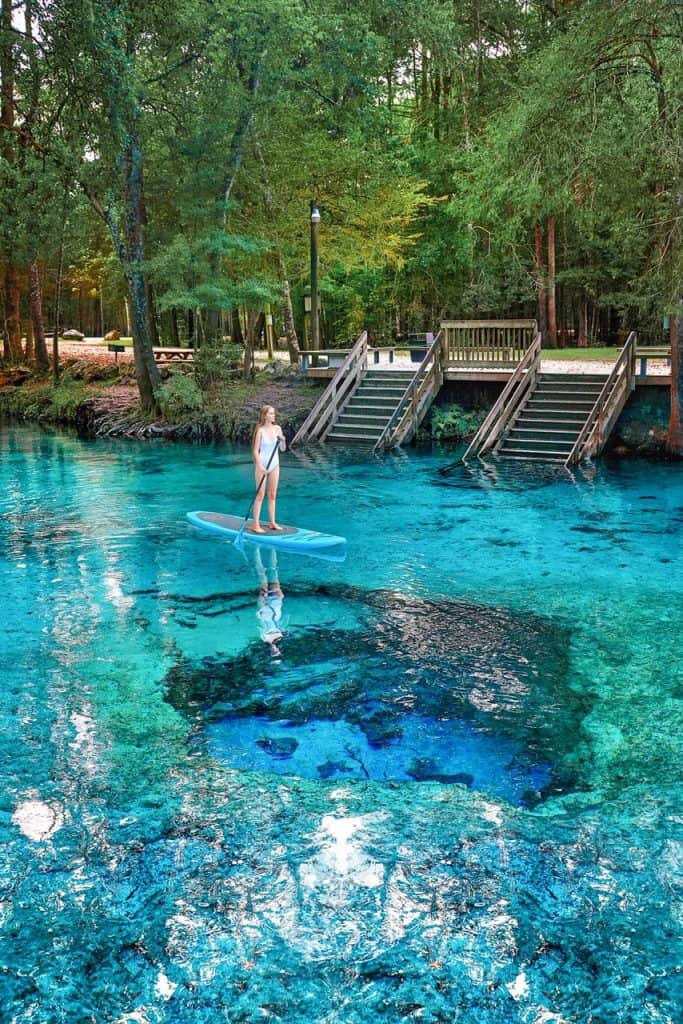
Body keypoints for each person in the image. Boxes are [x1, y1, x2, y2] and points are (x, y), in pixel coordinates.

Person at [251, 404, 286, 533]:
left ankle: (272, 522)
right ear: (264, 415)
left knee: (272, 495)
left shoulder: (278, 428)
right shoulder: (260, 430)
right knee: (260, 495)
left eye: (274, 413)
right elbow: (255, 451)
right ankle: (255, 524)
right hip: (262, 465)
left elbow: (282, 449)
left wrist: (283, 440)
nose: (273, 415)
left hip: (274, 465)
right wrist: (259, 466)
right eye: (271, 413)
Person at [255, 548, 284, 657]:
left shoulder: (264, 638)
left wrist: (261, 605)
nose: (275, 650)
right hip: (276, 605)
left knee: (262, 576)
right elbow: (282, 620)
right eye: (276, 652)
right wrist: (282, 599)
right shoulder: (281, 636)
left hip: (265, 610)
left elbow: (261, 623)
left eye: (273, 652)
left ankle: (256, 549)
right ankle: (273, 548)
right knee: (274, 571)